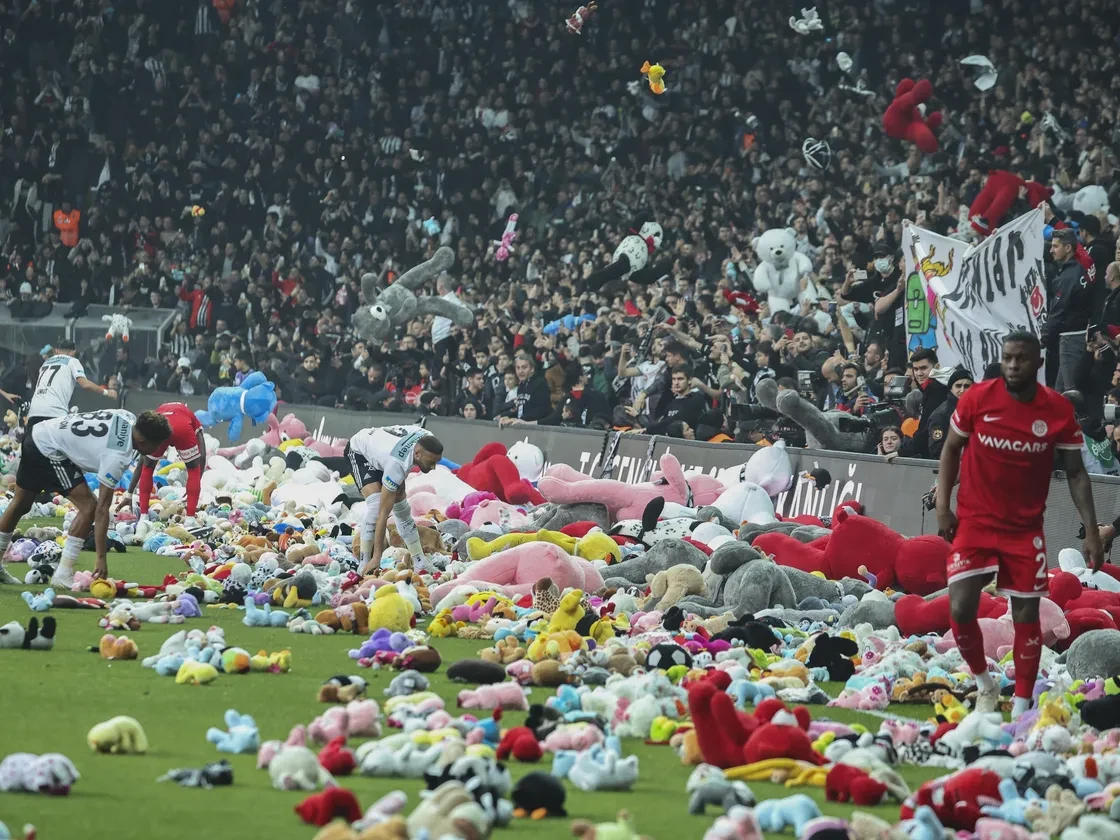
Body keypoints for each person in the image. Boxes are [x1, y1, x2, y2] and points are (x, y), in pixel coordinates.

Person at [936, 332, 1103, 718]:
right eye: (1007, 358)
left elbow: (1077, 474)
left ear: (1038, 363)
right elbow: (950, 448)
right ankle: (984, 684)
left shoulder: (1057, 411)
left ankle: (1024, 704)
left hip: (1024, 530)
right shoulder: (978, 398)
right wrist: (943, 505)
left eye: (1021, 359)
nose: (1012, 365)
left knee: (1026, 614)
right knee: (961, 608)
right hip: (975, 522)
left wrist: (1092, 532)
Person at [0, 410, 171, 586]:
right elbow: (102, 509)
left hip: (38, 433)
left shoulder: (127, 416)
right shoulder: (118, 455)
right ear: (143, 442)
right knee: (90, 507)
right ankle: (63, 574)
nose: (158, 449)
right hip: (49, 450)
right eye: (158, 445)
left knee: (21, 503)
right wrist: (101, 557)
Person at [344, 425, 444, 575]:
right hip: (360, 451)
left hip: (386, 453)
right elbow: (382, 515)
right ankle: (364, 565)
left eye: (436, 462)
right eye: (431, 462)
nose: (434, 467)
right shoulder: (397, 465)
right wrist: (377, 557)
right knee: (377, 504)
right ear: (417, 454)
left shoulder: (427, 436)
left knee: (401, 506)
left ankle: (420, 562)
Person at [119, 402, 207, 518]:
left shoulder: (155, 420)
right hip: (181, 427)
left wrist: (129, 494)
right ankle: (190, 519)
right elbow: (202, 456)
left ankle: (144, 517)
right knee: (193, 470)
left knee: (148, 467)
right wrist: (194, 488)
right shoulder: (192, 418)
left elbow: (142, 461)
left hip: (161, 428)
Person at [23, 340, 118, 432]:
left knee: (34, 445)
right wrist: (107, 392)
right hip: (54, 413)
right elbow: (85, 385)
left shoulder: (46, 363)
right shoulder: (72, 361)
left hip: (34, 412)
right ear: (73, 352)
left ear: (57, 350)